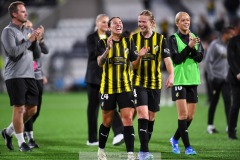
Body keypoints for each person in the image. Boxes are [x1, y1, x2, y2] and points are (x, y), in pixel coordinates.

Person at [96, 17, 147, 160]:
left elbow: (135, 64)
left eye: (120, 23)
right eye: (115, 23)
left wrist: (140, 56)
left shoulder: (128, 41)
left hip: (125, 87)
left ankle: (130, 154)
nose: (119, 25)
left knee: (128, 120)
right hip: (108, 88)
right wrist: (107, 50)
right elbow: (100, 62)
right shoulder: (102, 42)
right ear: (109, 27)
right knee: (106, 122)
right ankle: (101, 151)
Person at [131, 10, 174, 159]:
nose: (141, 24)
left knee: (151, 117)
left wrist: (172, 75)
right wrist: (140, 57)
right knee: (142, 114)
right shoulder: (133, 39)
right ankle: (144, 152)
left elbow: (167, 60)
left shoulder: (161, 39)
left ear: (152, 23)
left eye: (144, 21)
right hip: (138, 82)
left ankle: (144, 147)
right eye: (139, 21)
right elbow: (134, 66)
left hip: (155, 83)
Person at [1, 1, 43, 152]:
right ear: (14, 14)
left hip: (29, 75)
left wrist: (36, 39)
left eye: (25, 11)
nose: (26, 13)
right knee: (19, 109)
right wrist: (29, 40)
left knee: (32, 109)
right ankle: (21, 143)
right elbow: (13, 52)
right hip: (14, 75)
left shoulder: (27, 31)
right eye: (22, 11)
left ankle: (8, 131)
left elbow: (37, 55)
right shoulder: (8, 31)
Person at [168, 12, 204, 155]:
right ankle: (187, 147)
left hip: (193, 79)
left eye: (188, 20)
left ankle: (175, 139)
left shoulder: (195, 38)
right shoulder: (172, 39)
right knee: (183, 115)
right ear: (177, 23)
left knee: (190, 117)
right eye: (183, 20)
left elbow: (200, 57)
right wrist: (189, 47)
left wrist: (192, 46)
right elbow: (176, 59)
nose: (186, 22)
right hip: (180, 80)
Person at [85, 14, 124, 146]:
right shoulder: (91, 38)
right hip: (93, 77)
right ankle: (92, 138)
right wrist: (105, 48)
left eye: (107, 22)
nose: (105, 25)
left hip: (107, 77)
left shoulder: (111, 37)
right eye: (103, 22)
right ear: (97, 23)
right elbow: (92, 53)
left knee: (108, 105)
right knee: (93, 108)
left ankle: (119, 132)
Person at [205, 27, 235, 134]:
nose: (233, 36)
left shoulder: (230, 46)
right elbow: (208, 61)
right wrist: (211, 77)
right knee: (214, 102)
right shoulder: (215, 44)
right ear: (225, 34)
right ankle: (210, 125)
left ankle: (229, 126)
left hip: (226, 78)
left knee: (228, 102)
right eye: (231, 34)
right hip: (215, 79)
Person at [24, 20, 49, 148]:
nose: (30, 29)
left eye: (31, 27)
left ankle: (18, 128)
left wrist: (40, 39)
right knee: (30, 108)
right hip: (28, 78)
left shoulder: (35, 41)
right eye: (27, 27)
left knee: (36, 110)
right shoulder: (23, 41)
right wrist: (33, 40)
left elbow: (45, 51)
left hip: (38, 77)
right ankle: (30, 138)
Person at [227, 20, 240, 140]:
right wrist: (238, 73)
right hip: (236, 79)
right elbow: (231, 59)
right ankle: (231, 131)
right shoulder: (233, 41)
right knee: (236, 104)